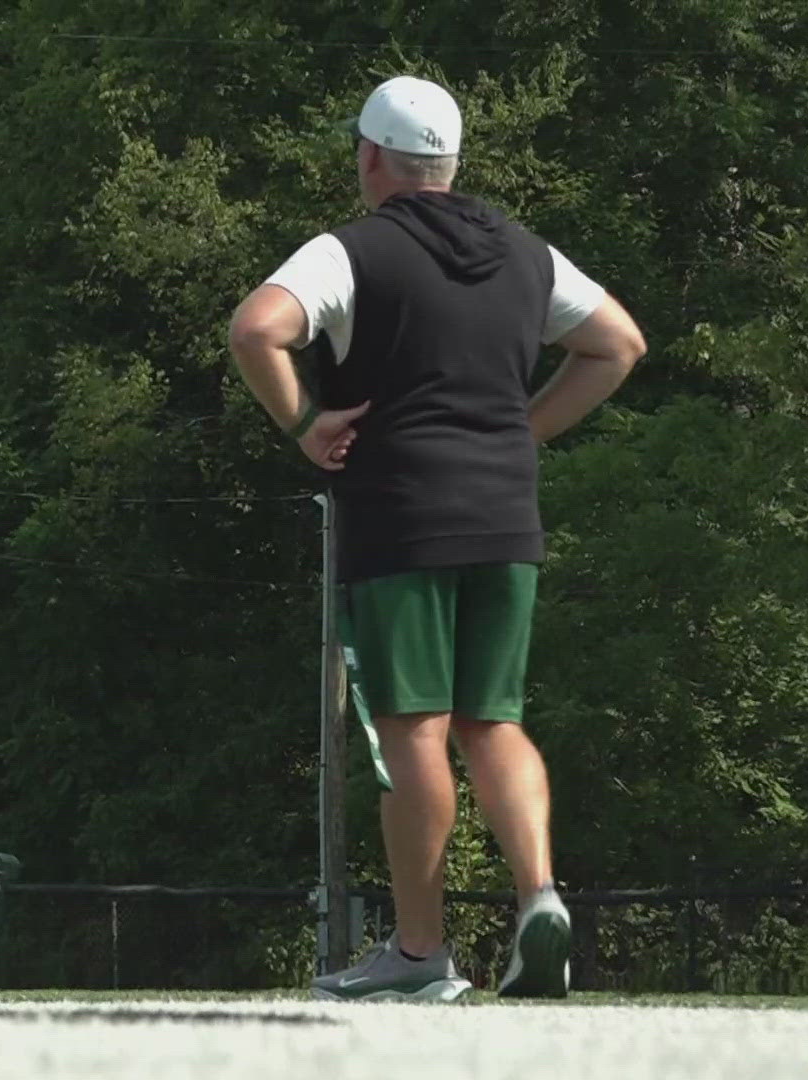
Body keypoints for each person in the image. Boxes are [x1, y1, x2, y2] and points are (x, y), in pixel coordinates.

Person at [228, 75, 646, 1000]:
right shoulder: (528, 253)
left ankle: (421, 956)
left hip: (401, 517)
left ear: (371, 158)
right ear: (451, 164)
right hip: (507, 516)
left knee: (412, 726)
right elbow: (618, 345)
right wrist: (521, 431)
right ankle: (539, 897)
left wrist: (306, 424)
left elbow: (257, 328)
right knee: (493, 719)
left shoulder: (352, 251)